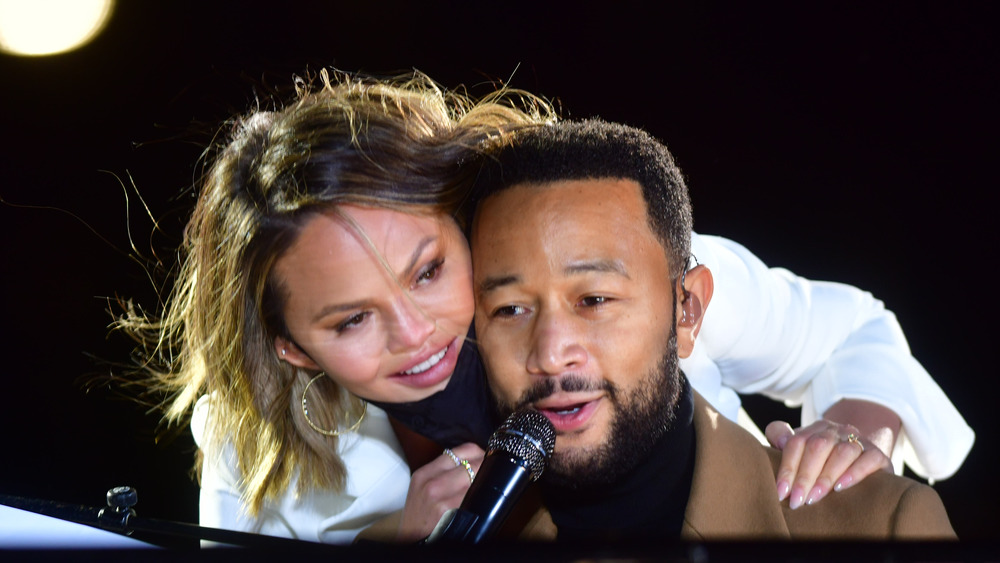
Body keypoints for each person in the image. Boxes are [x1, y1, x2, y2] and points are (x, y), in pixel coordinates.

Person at [118, 70, 970, 543]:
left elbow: (853, 329)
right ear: (293, 348)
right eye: (350, 320)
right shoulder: (248, 442)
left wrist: (855, 434)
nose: (417, 334)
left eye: (427, 271)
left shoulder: (624, 272)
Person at [466, 118, 956, 540]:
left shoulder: (890, 525)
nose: (550, 354)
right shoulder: (430, 517)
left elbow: (856, 329)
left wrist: (846, 470)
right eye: (509, 310)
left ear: (689, 310)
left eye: (595, 301)